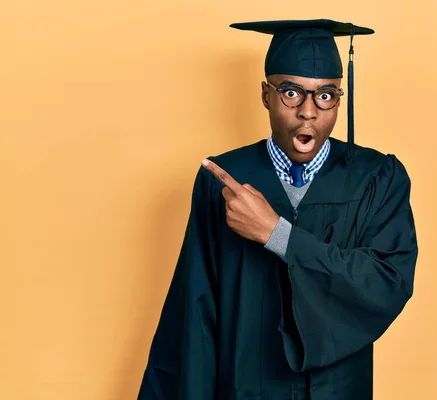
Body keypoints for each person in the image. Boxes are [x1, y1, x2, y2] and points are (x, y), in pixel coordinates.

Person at [138, 19, 418, 400]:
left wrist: (277, 234)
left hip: (336, 390)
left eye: (325, 95)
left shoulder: (377, 178)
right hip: (244, 388)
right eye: (291, 93)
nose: (308, 112)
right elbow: (195, 314)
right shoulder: (225, 180)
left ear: (339, 97)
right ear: (266, 95)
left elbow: (386, 282)